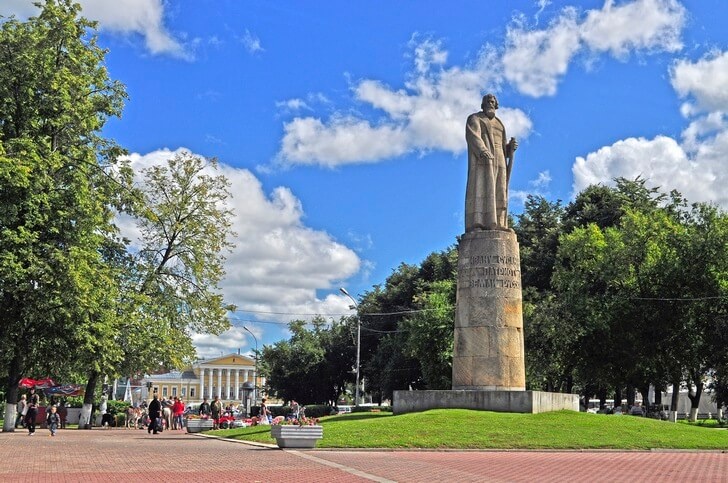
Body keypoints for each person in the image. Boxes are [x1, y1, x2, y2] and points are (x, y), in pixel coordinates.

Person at [465, 93, 518, 232]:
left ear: (496, 105)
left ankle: (500, 223)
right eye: (488, 101)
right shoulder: (475, 118)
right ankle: (478, 224)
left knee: (500, 191)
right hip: (483, 161)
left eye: (493, 102)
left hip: (500, 159)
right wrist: (482, 150)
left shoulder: (500, 124)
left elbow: (502, 147)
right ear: (483, 104)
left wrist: (510, 148)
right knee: (481, 190)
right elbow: (473, 136)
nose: (490, 103)